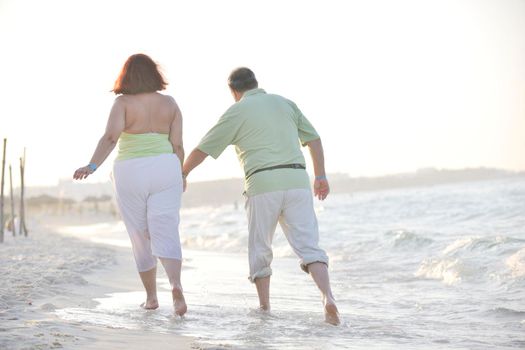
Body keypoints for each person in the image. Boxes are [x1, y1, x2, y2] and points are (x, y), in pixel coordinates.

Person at [182, 67, 340, 325]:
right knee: (309, 247)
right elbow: (314, 139)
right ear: (256, 83)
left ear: (233, 91)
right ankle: (327, 297)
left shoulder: (236, 111)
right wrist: (320, 176)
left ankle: (264, 307)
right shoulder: (285, 103)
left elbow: (204, 148)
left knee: (260, 247)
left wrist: (183, 172)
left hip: (262, 183)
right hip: (297, 181)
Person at [73, 53, 187, 316]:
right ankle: (176, 286)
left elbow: (111, 137)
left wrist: (91, 166)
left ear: (126, 76)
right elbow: (178, 145)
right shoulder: (170, 103)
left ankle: (151, 298)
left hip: (130, 170)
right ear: (154, 74)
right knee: (166, 227)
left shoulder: (123, 103)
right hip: (166, 167)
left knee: (139, 235)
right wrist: (181, 175)